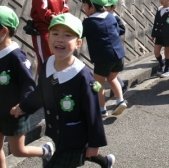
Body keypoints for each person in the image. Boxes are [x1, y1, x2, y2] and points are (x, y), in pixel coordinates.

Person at [11, 13, 115, 168]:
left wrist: (94, 143)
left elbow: (92, 112)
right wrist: (23, 107)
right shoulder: (48, 64)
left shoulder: (83, 76)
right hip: (56, 133)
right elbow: (41, 93)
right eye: (55, 34)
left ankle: (100, 158)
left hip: (75, 137)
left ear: (78, 43)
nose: (60, 39)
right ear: (48, 38)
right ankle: (105, 162)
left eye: (67, 35)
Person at [0, 6, 53, 167]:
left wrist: (23, 106)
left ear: (3, 31)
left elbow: (28, 84)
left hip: (14, 112)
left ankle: (46, 150)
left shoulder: (16, 56)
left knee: (17, 150)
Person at [81, 0, 126, 117]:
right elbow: (117, 30)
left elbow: (79, 34)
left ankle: (102, 109)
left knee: (98, 83)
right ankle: (120, 100)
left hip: (103, 58)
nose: (84, 8)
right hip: (118, 55)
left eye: (85, 5)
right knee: (112, 78)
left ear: (92, 6)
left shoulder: (89, 22)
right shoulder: (111, 16)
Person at [30, 0, 70, 74]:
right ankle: (44, 88)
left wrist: (64, 16)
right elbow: (43, 10)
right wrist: (53, 17)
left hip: (57, 27)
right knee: (45, 61)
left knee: (56, 60)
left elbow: (65, 6)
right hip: (43, 29)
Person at [104, 0, 128, 94]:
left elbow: (123, 29)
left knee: (111, 72)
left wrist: (112, 30)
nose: (104, 8)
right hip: (105, 47)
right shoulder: (102, 16)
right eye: (103, 6)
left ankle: (121, 86)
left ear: (113, 7)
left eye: (106, 6)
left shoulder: (115, 18)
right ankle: (121, 86)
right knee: (109, 72)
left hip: (113, 47)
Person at [151, 0, 169, 78]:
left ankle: (167, 69)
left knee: (167, 52)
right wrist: (153, 34)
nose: (161, 0)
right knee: (156, 52)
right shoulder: (159, 9)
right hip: (159, 34)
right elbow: (156, 22)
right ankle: (162, 64)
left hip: (168, 35)